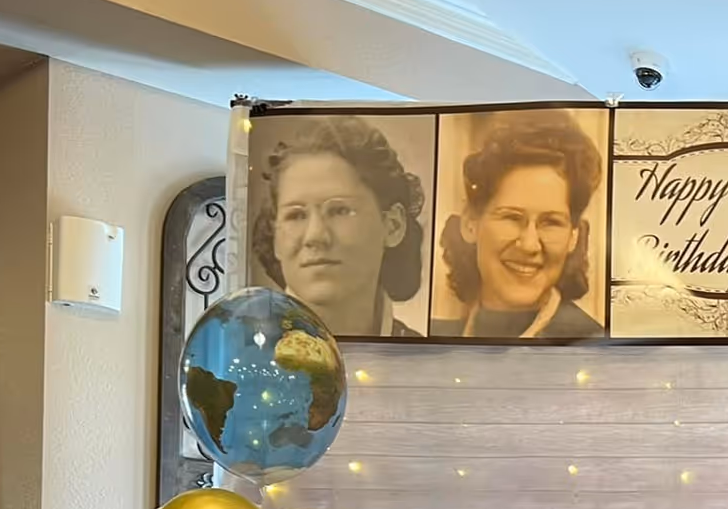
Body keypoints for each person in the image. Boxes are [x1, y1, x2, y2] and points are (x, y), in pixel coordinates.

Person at [433, 110, 605, 340]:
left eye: (551, 222)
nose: (529, 245)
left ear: (573, 236)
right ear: (470, 223)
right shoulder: (431, 338)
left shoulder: (592, 348)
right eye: (512, 218)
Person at [251, 116, 427, 338]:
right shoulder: (239, 357)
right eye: (296, 215)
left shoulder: (432, 363)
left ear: (393, 226)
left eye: (340, 211)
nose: (315, 235)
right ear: (275, 236)